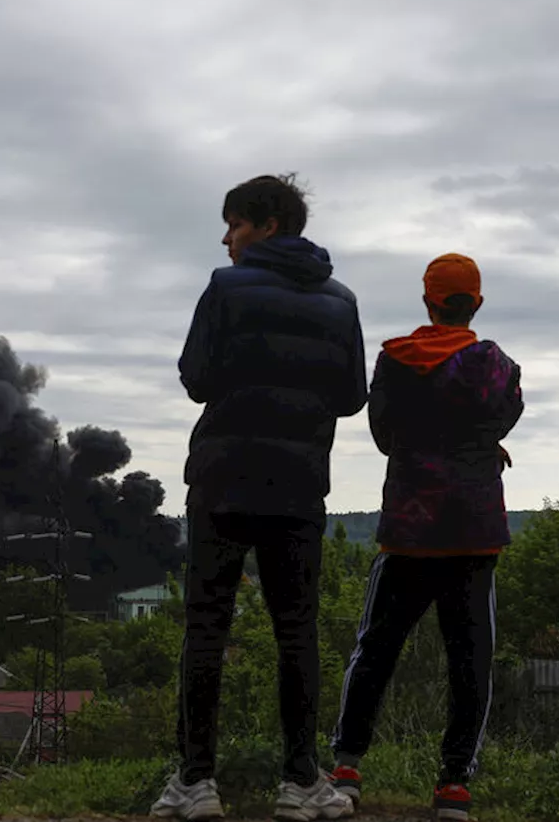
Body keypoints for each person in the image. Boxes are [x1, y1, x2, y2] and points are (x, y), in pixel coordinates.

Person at [150, 173, 367, 822]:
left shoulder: (225, 288)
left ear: (267, 224)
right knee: (296, 629)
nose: (226, 238)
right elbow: (353, 395)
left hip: (222, 477)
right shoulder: (340, 299)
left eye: (234, 224)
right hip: (299, 483)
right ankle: (301, 780)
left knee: (207, 624)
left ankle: (197, 781)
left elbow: (195, 377)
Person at [327, 253, 523, 822]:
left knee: (375, 649)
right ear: (477, 304)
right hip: (473, 530)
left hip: (410, 530)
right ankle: (454, 784)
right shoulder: (497, 365)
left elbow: (385, 436)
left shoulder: (394, 360)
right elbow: (503, 418)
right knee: (471, 659)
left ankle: (347, 765)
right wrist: (480, 447)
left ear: (426, 300)